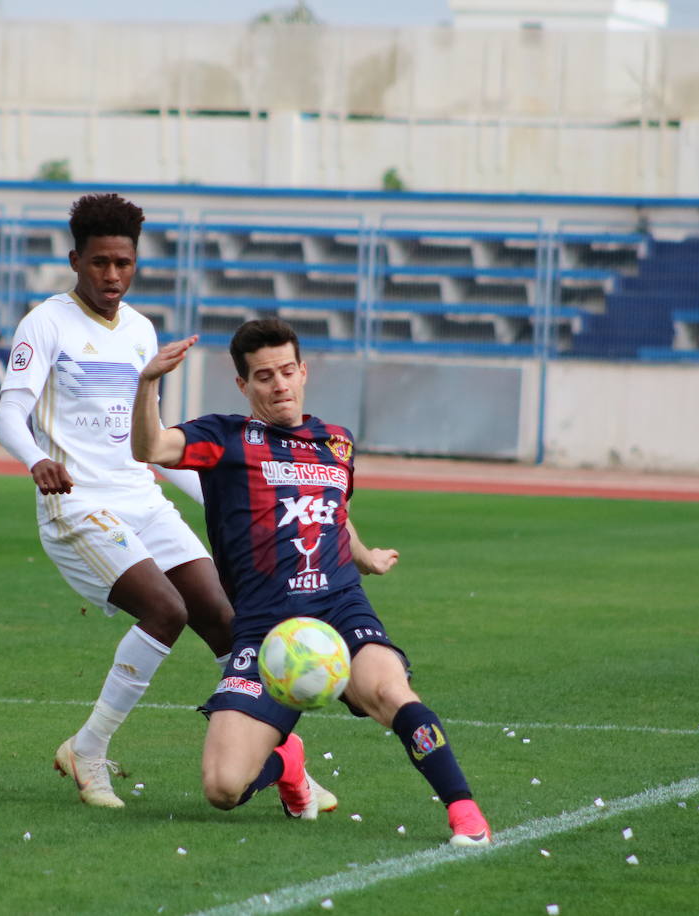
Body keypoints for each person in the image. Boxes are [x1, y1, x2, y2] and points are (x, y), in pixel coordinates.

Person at [0, 194, 332, 816]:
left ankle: (285, 757)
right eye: (99, 263)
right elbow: (9, 414)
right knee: (166, 610)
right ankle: (88, 749)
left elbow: (149, 442)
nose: (113, 276)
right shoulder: (46, 324)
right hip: (77, 507)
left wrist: (221, 494)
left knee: (227, 620)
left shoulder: (142, 330)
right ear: (76, 261)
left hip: (139, 498)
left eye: (124, 262)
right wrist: (35, 459)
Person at [130, 317, 494, 847]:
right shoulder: (224, 438)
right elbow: (151, 449)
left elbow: (333, 512)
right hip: (264, 630)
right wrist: (148, 384)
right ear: (243, 385)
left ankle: (465, 812)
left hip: (340, 609)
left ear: (303, 371)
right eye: (263, 377)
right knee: (222, 786)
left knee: (392, 693)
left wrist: (365, 556)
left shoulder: (337, 443)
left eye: (285, 371)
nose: (278, 385)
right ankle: (287, 764)